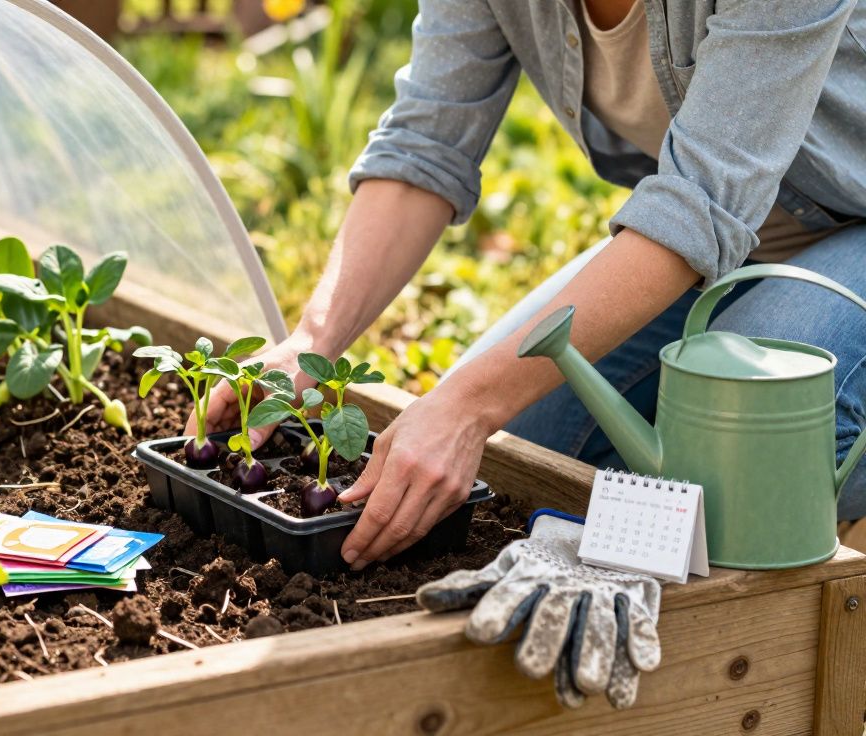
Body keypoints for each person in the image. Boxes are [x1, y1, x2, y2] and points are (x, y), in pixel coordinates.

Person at [189, 0, 866, 571]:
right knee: (520, 458)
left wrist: (465, 405)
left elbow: (700, 204)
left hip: (844, 225)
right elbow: (427, 141)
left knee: (755, 462)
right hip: (715, 247)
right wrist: (312, 341)